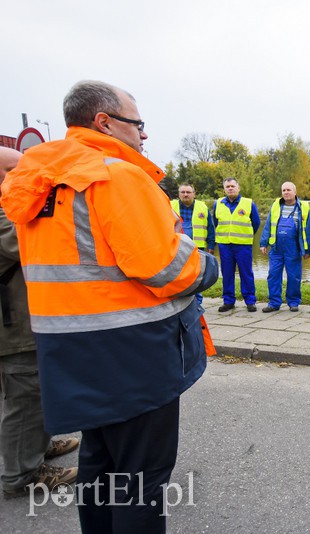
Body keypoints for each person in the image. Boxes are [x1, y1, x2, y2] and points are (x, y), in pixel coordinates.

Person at [0, 80, 218, 530]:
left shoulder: (37, 184)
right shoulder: (115, 176)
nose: (144, 135)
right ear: (104, 122)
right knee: (141, 480)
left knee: (99, 464)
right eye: (137, 124)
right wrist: (207, 266)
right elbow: (164, 267)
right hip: (131, 354)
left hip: (67, 350)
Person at [1, 147, 80, 499]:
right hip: (12, 325)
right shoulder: (7, 215)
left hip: (26, 317)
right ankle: (21, 475)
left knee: (34, 391)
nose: (31, 172)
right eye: (18, 168)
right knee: (24, 397)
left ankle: (37, 446)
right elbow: (32, 240)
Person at [259, 182, 310, 312]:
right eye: (283, 190)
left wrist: (308, 250)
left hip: (293, 248)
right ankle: (274, 303)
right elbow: (268, 225)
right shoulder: (276, 205)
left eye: (288, 190)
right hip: (276, 248)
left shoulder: (303, 207)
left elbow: (309, 230)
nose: (286, 192)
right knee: (273, 275)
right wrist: (263, 243)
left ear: (295, 192)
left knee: (294, 276)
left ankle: (293, 302)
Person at [212, 177, 260, 312]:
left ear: (238, 188)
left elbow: (255, 223)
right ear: (224, 189)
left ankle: (250, 301)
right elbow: (216, 223)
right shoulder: (218, 204)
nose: (230, 188)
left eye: (233, 186)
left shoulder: (249, 204)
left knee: (246, 273)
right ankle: (228, 301)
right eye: (227, 187)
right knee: (227, 273)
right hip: (224, 245)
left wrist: (245, 234)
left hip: (243, 245)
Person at [171, 183, 215, 303]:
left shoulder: (202, 207)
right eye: (183, 192)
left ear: (194, 194)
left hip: (197, 247)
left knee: (196, 275)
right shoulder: (170, 205)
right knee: (177, 275)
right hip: (176, 247)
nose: (185, 194)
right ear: (179, 194)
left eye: (188, 192)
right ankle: (179, 300)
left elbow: (210, 228)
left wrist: (211, 245)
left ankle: (197, 301)